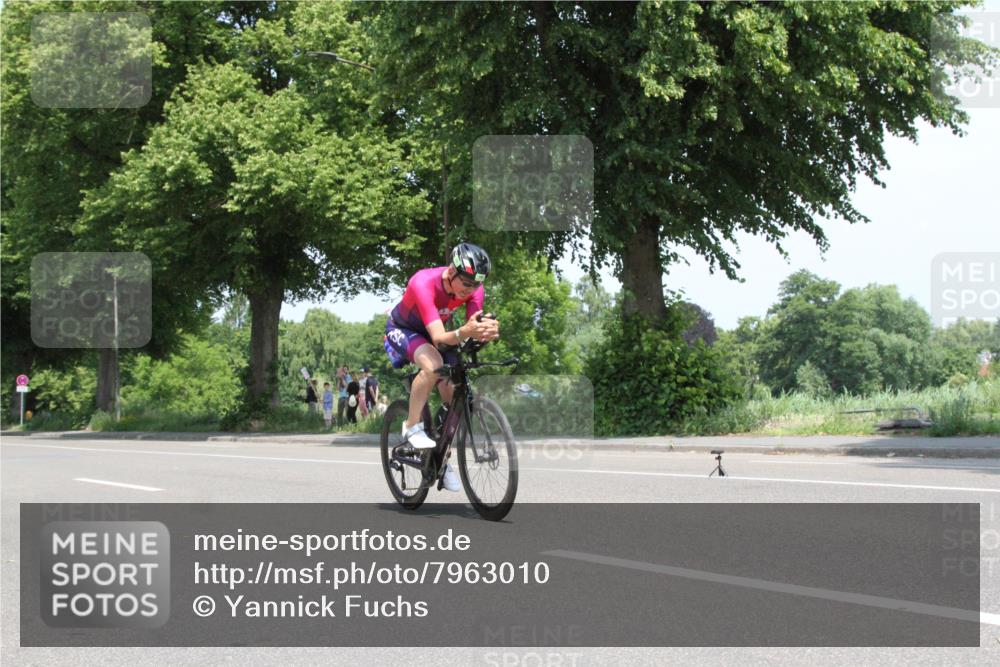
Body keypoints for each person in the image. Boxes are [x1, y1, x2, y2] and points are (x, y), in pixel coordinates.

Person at [384, 242, 499, 492]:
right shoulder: (423, 282)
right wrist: (465, 331)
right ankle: (411, 426)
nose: (472, 290)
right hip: (405, 329)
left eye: (477, 284)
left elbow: (470, 330)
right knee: (434, 364)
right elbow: (438, 338)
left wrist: (484, 332)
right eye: (467, 283)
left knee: (455, 387)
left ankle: (441, 457)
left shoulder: (474, 289)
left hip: (436, 331)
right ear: (451, 272)